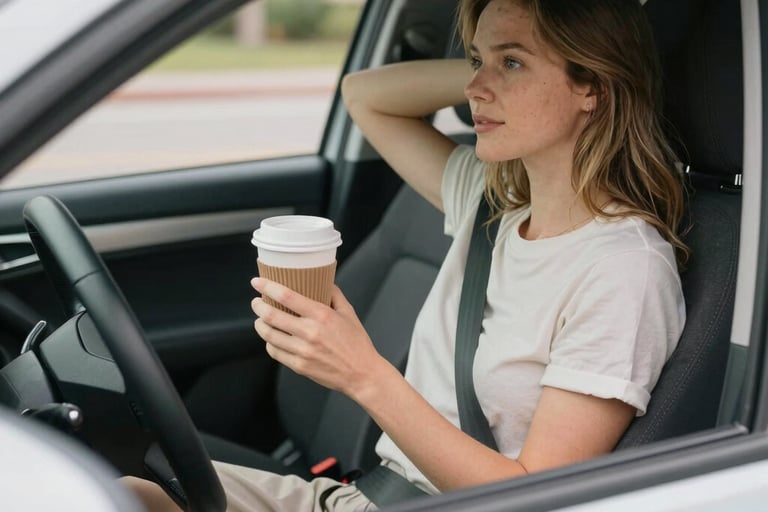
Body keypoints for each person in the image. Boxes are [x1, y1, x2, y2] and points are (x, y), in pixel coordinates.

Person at [124, 0, 687, 510]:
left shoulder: (624, 269)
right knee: (113, 488)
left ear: (593, 87)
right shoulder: (490, 204)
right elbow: (364, 95)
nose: (475, 89)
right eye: (474, 61)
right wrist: (494, 65)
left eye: (512, 63)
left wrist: (362, 373)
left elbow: (537, 497)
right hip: (363, 497)